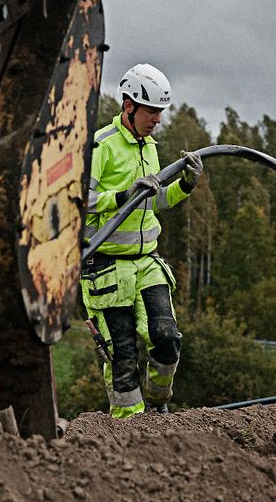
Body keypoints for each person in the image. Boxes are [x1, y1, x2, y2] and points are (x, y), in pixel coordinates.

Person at [81, 63, 203, 418]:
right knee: (121, 355)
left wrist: (185, 185)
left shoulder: (149, 147)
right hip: (104, 267)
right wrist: (120, 196)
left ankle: (159, 403)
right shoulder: (101, 146)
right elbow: (76, 200)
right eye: (152, 111)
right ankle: (129, 428)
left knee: (167, 337)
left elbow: (157, 200)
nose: (158, 120)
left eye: (161, 112)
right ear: (129, 105)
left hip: (146, 263)